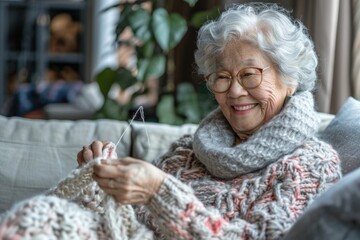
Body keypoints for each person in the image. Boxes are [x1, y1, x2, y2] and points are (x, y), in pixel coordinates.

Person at [0, 3, 342, 239]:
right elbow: (128, 223)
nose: (235, 91)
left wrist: (159, 191)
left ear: (291, 79)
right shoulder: (188, 152)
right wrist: (102, 183)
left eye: (250, 75)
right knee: (35, 219)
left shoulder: (311, 165)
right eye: (221, 77)